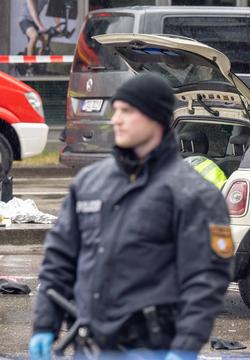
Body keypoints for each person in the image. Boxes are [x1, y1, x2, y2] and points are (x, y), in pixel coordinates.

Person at [29, 73, 233, 359]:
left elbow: (207, 280)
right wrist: (44, 325)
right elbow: (59, 260)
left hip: (153, 348)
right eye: (117, 111)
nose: (117, 119)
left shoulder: (194, 194)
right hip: (89, 347)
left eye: (128, 111)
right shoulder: (89, 183)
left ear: (155, 118)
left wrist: (184, 347)